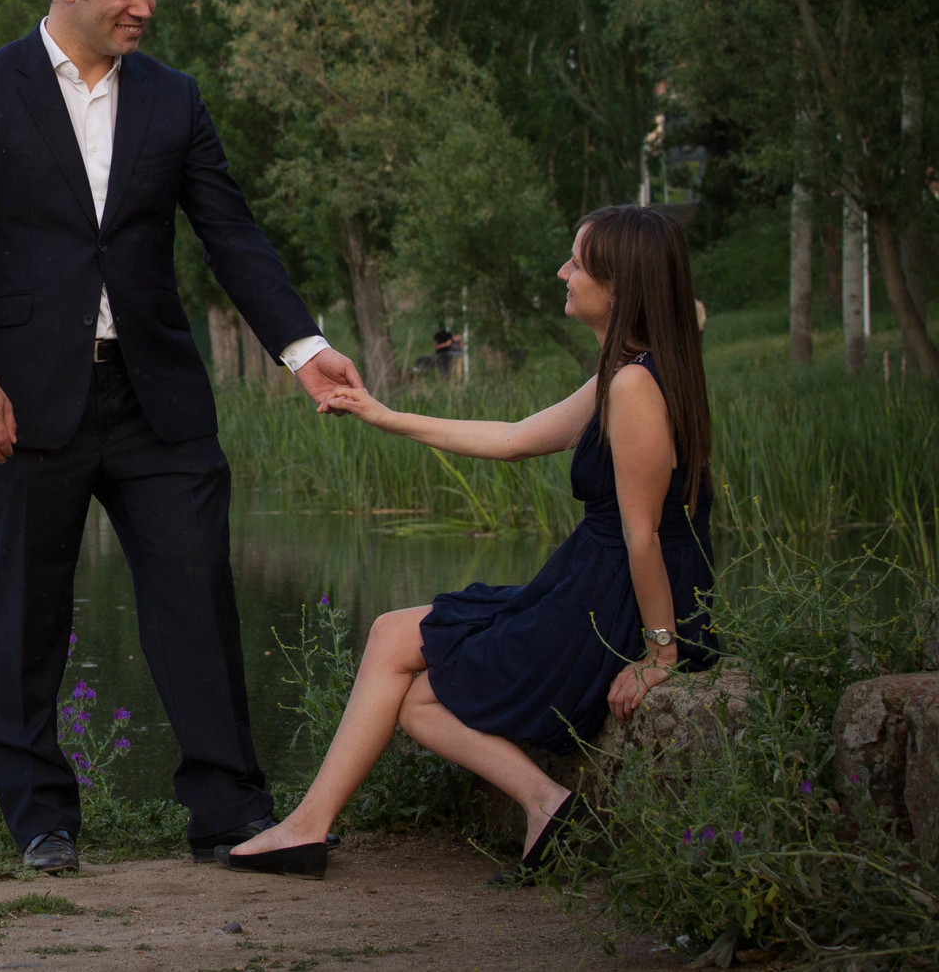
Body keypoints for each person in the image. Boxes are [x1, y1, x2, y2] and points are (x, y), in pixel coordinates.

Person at [0, 0, 365, 874]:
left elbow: (230, 234)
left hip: (155, 397)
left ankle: (229, 814)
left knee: (196, 602)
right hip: (24, 400)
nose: (144, 8)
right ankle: (41, 820)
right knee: (28, 611)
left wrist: (302, 348)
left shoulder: (172, 98)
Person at [220, 204, 716, 882]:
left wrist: (661, 652)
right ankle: (548, 804)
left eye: (577, 261)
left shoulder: (633, 385)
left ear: (619, 286)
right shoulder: (630, 369)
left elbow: (644, 532)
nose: (563, 271)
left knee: (395, 637)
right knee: (421, 699)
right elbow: (513, 439)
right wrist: (382, 415)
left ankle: (306, 827)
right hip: (590, 585)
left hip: (612, 603)